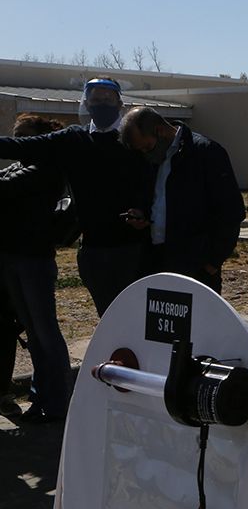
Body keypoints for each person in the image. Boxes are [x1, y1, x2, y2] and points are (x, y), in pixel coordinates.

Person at [0, 77, 153, 316]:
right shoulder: (73, 138)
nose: (101, 103)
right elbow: (24, 146)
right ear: (86, 103)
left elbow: (153, 184)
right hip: (91, 250)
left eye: (107, 98)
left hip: (132, 249)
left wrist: (145, 211)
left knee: (136, 317)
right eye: (95, 98)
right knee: (108, 318)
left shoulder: (135, 140)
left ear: (119, 102)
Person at [119, 107, 245, 293]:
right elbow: (158, 201)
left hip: (196, 269)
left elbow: (231, 212)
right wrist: (143, 214)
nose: (145, 154)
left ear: (159, 131)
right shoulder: (153, 159)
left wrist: (212, 262)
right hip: (156, 262)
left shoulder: (205, 152)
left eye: (146, 147)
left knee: (198, 322)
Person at [0, 115, 73, 423]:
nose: (18, 142)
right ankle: (40, 397)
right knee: (32, 332)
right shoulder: (19, 167)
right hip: (13, 257)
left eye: (24, 137)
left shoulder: (47, 167)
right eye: (15, 136)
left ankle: (57, 402)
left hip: (34, 260)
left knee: (44, 333)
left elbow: (5, 187)